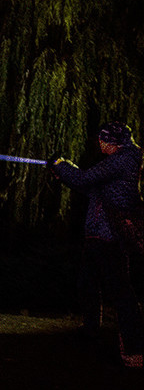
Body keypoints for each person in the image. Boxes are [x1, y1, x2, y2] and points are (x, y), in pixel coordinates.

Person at [49, 121, 144, 369]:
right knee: (87, 284)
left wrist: (61, 165)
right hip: (97, 235)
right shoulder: (116, 162)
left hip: (110, 238)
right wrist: (63, 173)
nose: (99, 143)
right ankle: (90, 332)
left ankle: (134, 350)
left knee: (121, 292)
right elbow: (89, 185)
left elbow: (83, 179)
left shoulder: (123, 160)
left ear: (114, 142)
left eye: (103, 140)